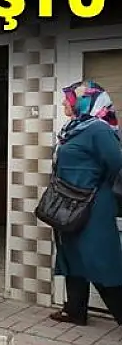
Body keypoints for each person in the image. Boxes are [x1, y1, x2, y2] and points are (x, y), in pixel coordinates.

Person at [48, 81, 122, 326]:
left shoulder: (99, 130)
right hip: (68, 205)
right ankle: (75, 311)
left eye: (70, 98)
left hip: (93, 206)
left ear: (87, 101)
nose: (64, 101)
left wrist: (89, 186)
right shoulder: (73, 128)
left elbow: (116, 165)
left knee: (99, 260)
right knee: (72, 255)